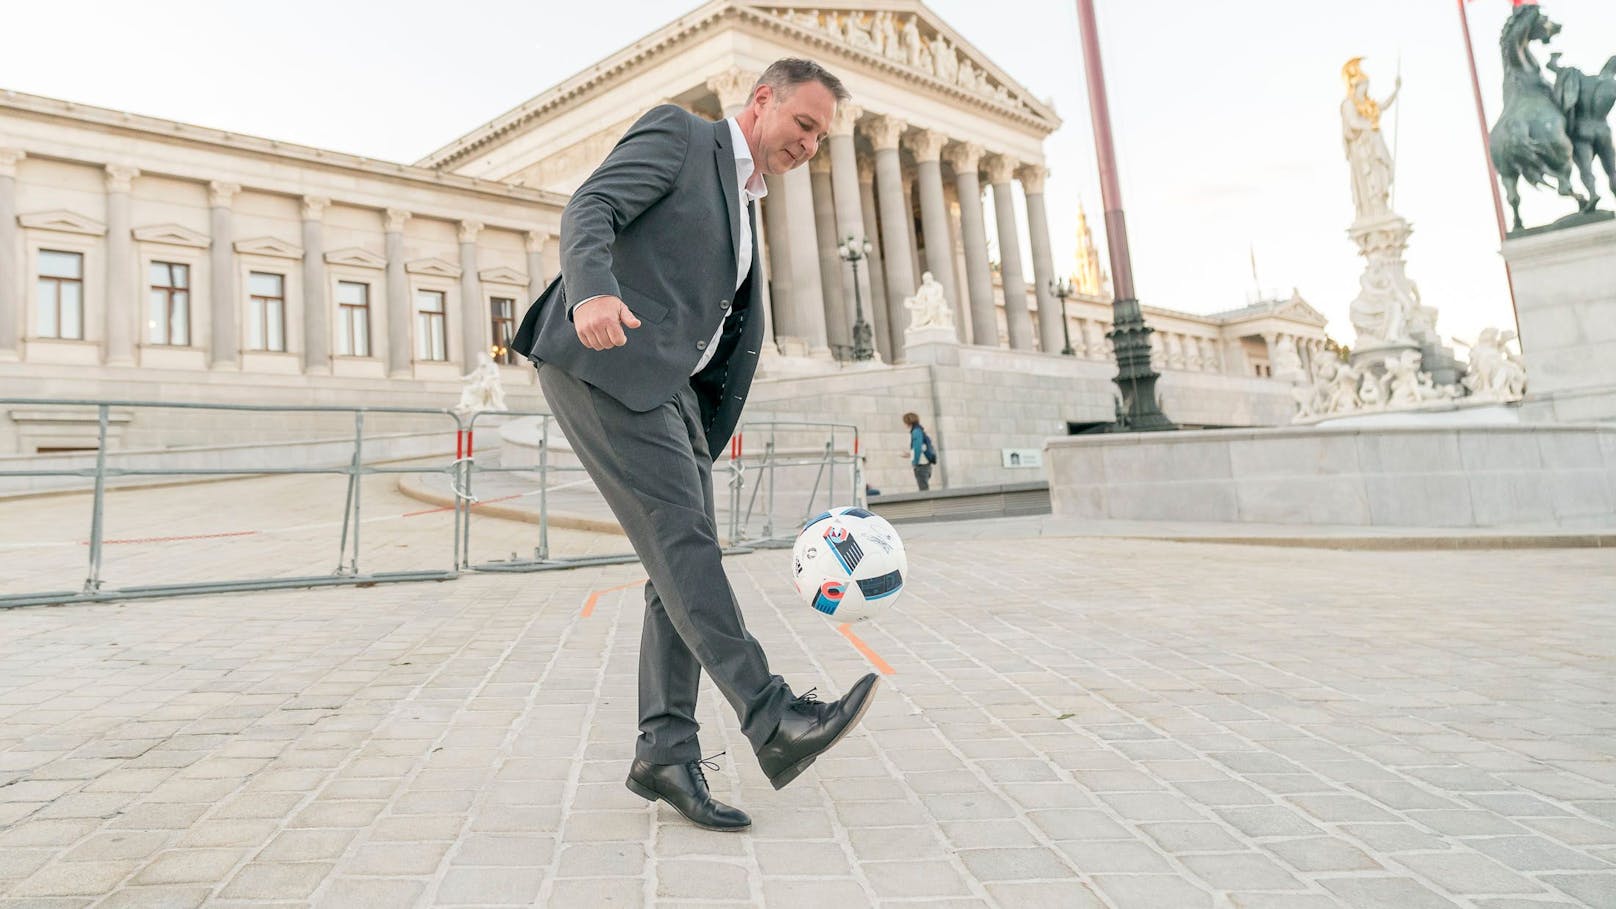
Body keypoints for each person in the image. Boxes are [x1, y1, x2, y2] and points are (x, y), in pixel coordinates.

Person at [511, 59, 880, 832]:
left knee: (674, 562)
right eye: (804, 125)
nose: (811, 145)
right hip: (604, 357)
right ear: (761, 100)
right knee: (683, 543)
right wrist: (591, 289)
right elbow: (591, 207)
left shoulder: (747, 203)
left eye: (822, 135)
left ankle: (666, 750)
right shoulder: (683, 134)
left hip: (670, 389)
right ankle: (771, 714)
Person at [902, 412, 934, 491]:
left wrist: (915, 463)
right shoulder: (919, 430)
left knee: (924, 490)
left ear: (908, 422)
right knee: (924, 489)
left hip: (921, 466)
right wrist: (909, 455)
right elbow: (920, 448)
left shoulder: (916, 432)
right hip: (925, 465)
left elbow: (918, 448)